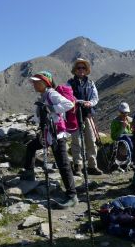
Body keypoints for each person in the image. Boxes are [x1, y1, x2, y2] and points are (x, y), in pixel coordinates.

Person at [20, 71, 78, 208]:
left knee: (63, 164)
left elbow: (69, 104)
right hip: (48, 134)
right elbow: (41, 114)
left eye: (36, 82)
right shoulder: (44, 96)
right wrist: (34, 119)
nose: (33, 84)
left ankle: (72, 196)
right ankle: (29, 173)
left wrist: (49, 108)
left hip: (57, 135)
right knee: (31, 147)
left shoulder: (52, 94)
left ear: (45, 82)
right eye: (33, 82)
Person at [67, 58, 103, 176]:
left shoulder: (91, 83)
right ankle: (78, 166)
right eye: (79, 68)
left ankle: (92, 166)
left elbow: (95, 97)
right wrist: (77, 101)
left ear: (86, 70)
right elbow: (67, 97)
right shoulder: (70, 83)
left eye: (83, 68)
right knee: (76, 141)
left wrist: (90, 103)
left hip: (88, 114)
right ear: (75, 70)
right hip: (74, 114)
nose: (81, 70)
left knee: (91, 140)